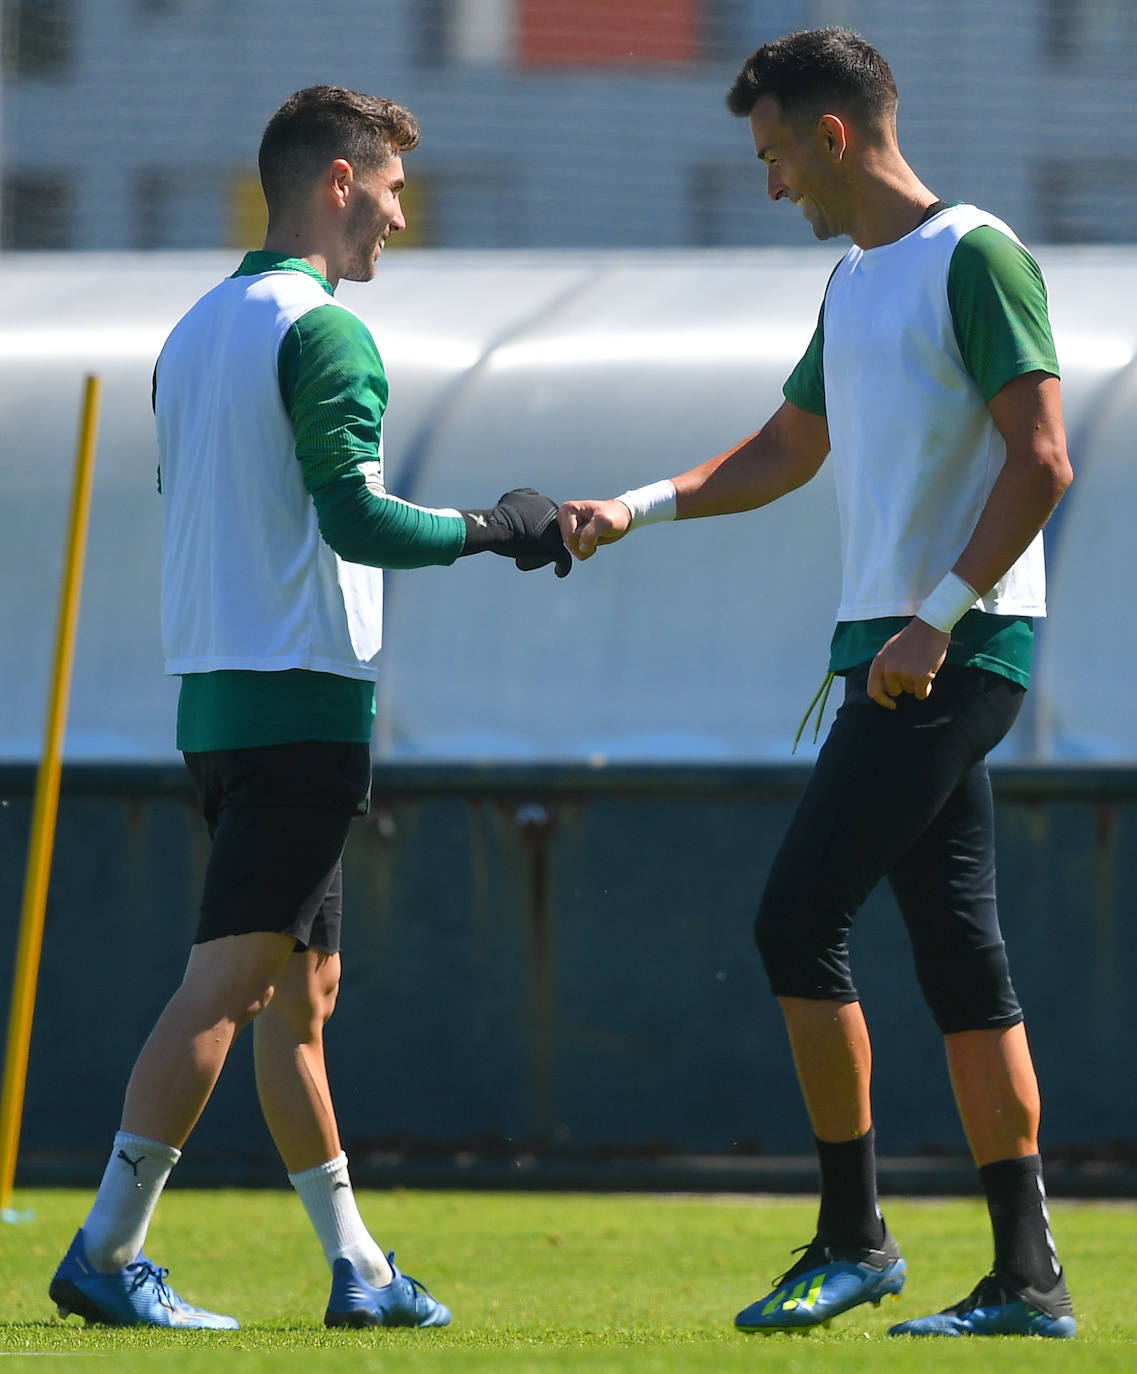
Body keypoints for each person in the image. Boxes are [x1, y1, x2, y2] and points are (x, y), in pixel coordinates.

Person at [558, 28, 1075, 1341]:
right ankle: (1027, 1280)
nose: (770, 182)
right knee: (965, 964)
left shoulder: (975, 254)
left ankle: (856, 1237)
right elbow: (790, 445)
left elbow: (1044, 460)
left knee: (796, 920)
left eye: (774, 153)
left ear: (830, 136)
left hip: (952, 658)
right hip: (890, 660)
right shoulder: (853, 285)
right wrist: (637, 505)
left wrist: (936, 618)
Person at [49, 84, 569, 1332]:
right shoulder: (326, 332)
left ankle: (362, 1270)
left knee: (299, 1001)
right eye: (391, 187)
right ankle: (107, 1252)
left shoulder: (194, 329)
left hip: (222, 707)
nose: (400, 213)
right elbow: (355, 520)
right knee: (228, 989)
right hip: (299, 712)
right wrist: (500, 530)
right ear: (338, 181)